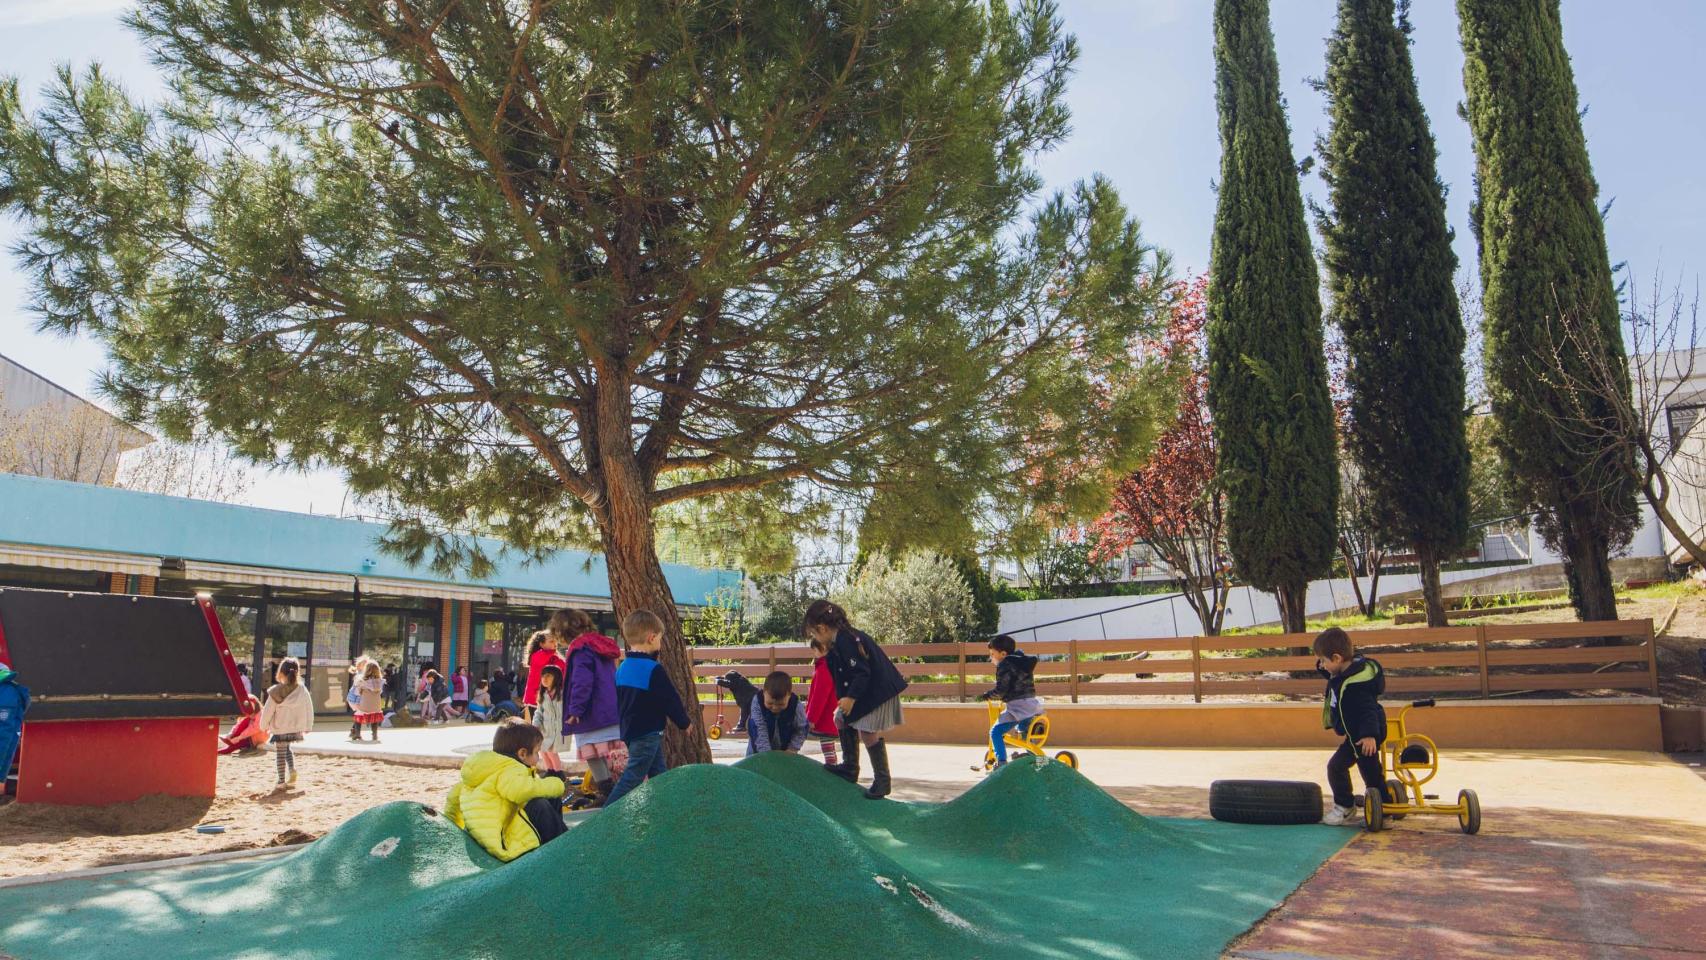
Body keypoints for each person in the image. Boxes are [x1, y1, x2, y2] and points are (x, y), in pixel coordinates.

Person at [805, 599, 908, 799]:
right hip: (863, 692)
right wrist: (844, 700)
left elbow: (861, 672)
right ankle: (850, 767)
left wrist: (850, 698)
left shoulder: (847, 640)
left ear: (822, 628)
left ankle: (882, 781)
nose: (814, 637)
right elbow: (841, 676)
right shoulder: (836, 644)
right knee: (840, 719)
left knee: (868, 732)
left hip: (876, 691)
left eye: (813, 633)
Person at [442, 718, 570, 861]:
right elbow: (519, 791)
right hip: (504, 842)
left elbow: (453, 799)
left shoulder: (485, 769)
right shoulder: (511, 768)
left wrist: (453, 831)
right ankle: (565, 848)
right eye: (536, 752)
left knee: (545, 796)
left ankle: (558, 840)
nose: (538, 757)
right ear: (522, 754)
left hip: (486, 839)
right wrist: (556, 784)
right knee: (539, 804)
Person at [605, 610, 692, 806]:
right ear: (652, 638)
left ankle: (664, 807)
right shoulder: (653, 669)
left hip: (629, 730)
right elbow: (669, 699)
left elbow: (620, 701)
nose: (660, 644)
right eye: (660, 639)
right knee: (633, 776)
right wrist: (684, 722)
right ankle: (606, 814)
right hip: (648, 731)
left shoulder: (623, 668)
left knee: (658, 772)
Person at [1314, 627, 1388, 826]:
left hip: (1364, 737)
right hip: (1354, 735)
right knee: (1343, 768)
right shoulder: (1342, 675)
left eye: (1323, 661)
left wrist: (1370, 735)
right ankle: (1358, 807)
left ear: (1337, 658)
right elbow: (1332, 676)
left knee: (1368, 772)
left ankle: (1376, 811)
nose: (1321, 665)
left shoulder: (1356, 685)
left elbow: (1368, 710)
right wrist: (1323, 663)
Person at [561, 608, 628, 802]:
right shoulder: (598, 646)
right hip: (608, 709)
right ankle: (613, 789)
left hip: (591, 713)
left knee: (592, 753)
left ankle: (608, 792)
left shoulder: (581, 649)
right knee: (608, 752)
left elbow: (581, 681)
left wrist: (575, 709)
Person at [977, 634, 1042, 769]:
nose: (991, 658)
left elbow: (1001, 690)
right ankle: (1033, 757)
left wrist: (988, 695)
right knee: (1024, 730)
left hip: (1018, 707)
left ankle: (1001, 762)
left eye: (992, 654)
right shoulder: (1022, 662)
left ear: (1003, 653)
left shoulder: (1005, 665)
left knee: (995, 732)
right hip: (1032, 704)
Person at [259, 658, 312, 790]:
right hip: (295, 728)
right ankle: (293, 770)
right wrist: (308, 726)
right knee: (286, 749)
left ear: (281, 672)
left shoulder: (275, 691)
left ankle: (281, 781)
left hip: (280, 728)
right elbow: (309, 707)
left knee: (280, 754)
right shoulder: (302, 690)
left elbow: (267, 711)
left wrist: (263, 726)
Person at [748, 670, 808, 756]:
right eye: (770, 703)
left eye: (781, 704)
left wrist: (792, 749)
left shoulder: (796, 706)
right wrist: (766, 754)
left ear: (789, 696)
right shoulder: (757, 702)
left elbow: (801, 729)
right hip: (758, 746)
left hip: (786, 747)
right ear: (764, 692)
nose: (775, 708)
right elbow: (759, 728)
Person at [804, 644, 842, 769]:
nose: (814, 653)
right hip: (833, 714)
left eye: (815, 650)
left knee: (827, 744)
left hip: (826, 716)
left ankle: (832, 767)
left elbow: (819, 695)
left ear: (823, 648)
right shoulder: (834, 665)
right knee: (829, 744)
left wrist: (811, 718)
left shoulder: (824, 668)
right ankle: (833, 766)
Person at [522, 630, 565, 722]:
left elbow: (563, 669)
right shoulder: (537, 656)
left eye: (555, 640)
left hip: (549, 698)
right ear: (541, 644)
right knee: (535, 730)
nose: (555, 643)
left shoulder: (554, 655)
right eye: (551, 641)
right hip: (535, 699)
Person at [535, 665, 566, 771]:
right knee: (543, 751)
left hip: (557, 729)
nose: (545, 679)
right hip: (545, 729)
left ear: (556, 678)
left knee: (551, 752)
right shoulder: (543, 695)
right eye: (543, 676)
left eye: (548, 676)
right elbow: (539, 712)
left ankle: (558, 772)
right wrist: (536, 725)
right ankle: (550, 771)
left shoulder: (563, 694)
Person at [350, 660, 385, 742]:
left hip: (364, 706)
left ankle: (357, 733)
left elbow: (357, 692)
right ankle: (375, 735)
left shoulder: (361, 681)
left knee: (358, 713)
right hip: (376, 706)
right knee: (374, 717)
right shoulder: (380, 681)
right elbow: (381, 692)